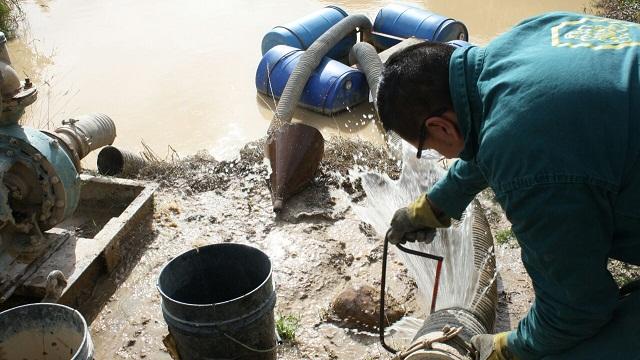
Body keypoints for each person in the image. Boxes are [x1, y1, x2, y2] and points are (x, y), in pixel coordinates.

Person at [376, 12, 640, 360]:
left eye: (431, 149)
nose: (439, 155)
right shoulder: (516, 45)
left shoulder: (531, 159)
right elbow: (500, 137)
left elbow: (575, 311)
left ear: (440, 127)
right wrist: (433, 206)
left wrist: (507, 347)